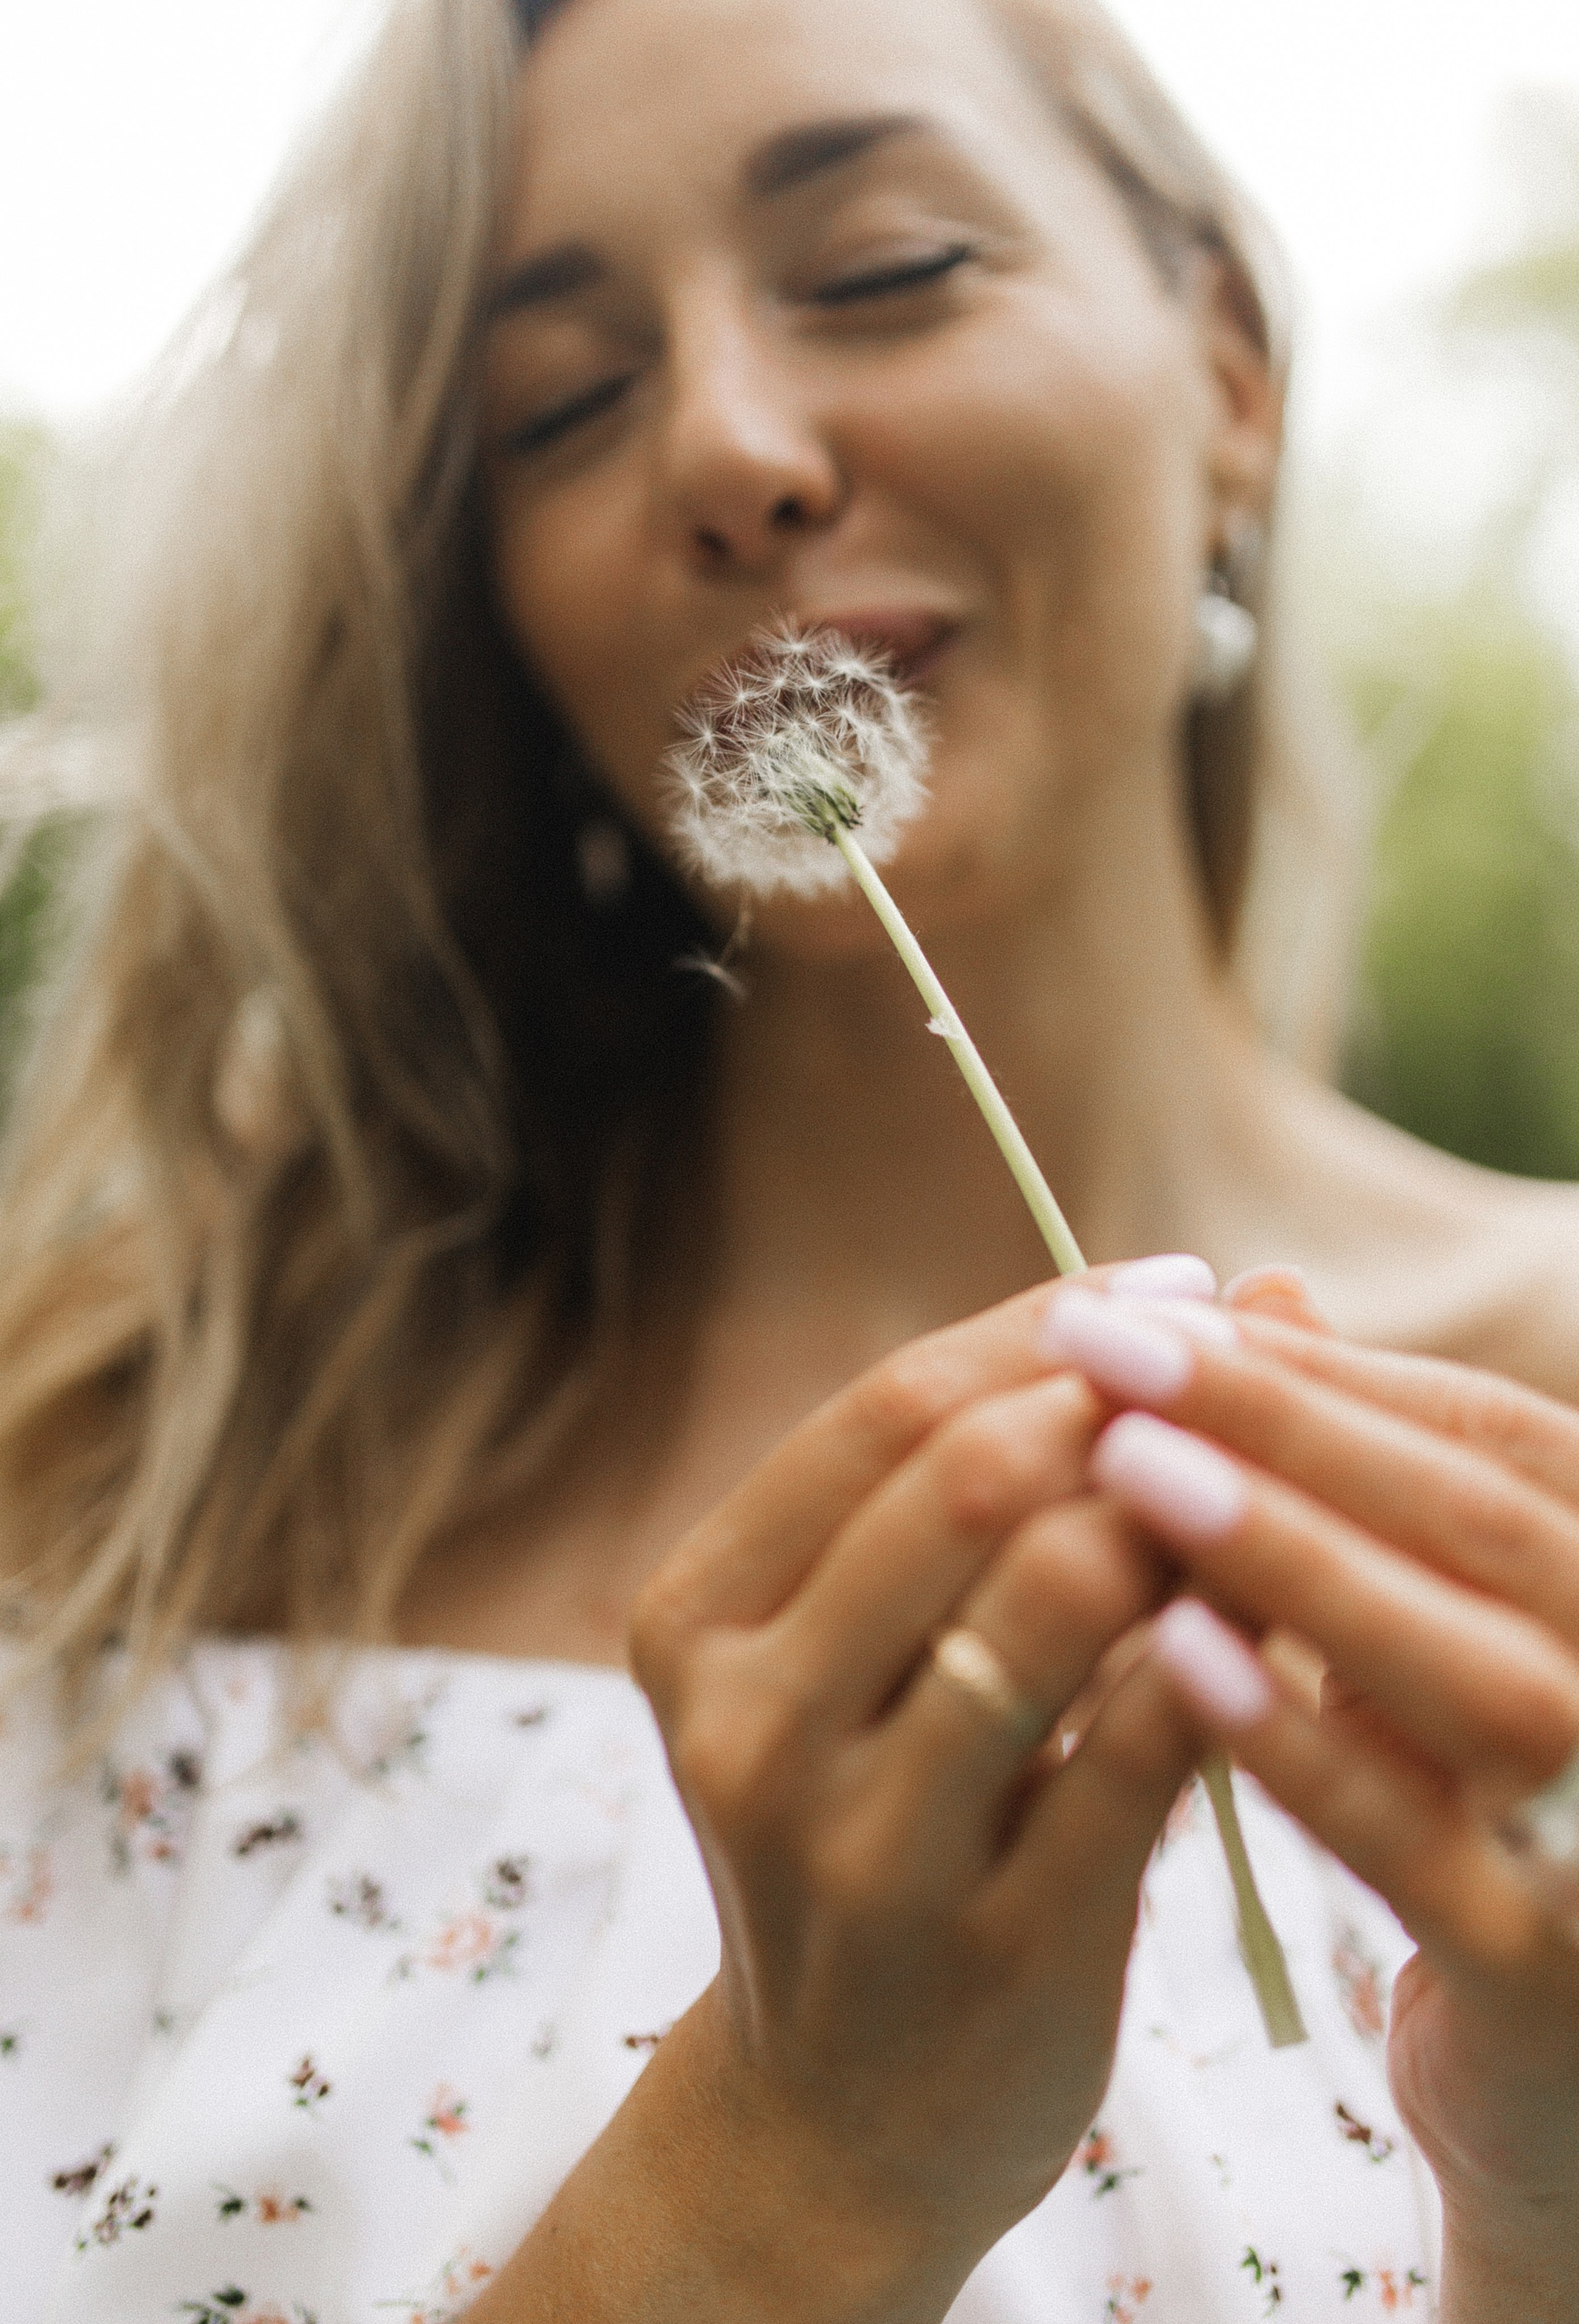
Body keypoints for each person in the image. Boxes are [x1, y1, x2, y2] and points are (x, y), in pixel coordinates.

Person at [1, 0, 1577, 2315]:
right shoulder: (118, 1469)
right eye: (561, 406)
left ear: (1227, 368)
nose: (733, 448)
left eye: (888, 267)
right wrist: (787, 2177)